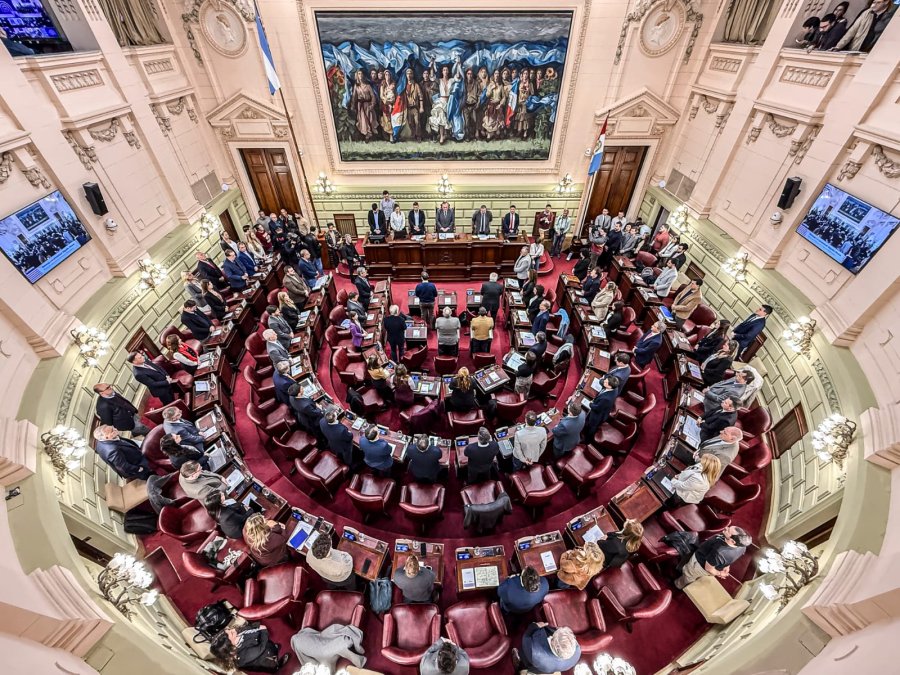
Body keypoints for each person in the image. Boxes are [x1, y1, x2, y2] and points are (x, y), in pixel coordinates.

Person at [675, 526, 752, 589]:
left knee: (688, 576)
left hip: (699, 566)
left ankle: (678, 585)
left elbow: (709, 569)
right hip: (710, 560)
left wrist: (720, 574)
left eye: (728, 530)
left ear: (733, 541)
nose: (726, 528)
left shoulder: (719, 553)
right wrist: (727, 566)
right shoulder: (742, 547)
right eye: (729, 527)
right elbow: (732, 558)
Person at [210, 624, 289, 673]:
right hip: (262, 656)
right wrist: (263, 630)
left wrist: (256, 626)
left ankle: (274, 648)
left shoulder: (235, 636)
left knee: (272, 647)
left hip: (257, 644)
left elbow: (246, 628)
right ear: (230, 646)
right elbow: (261, 647)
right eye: (231, 633)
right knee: (271, 663)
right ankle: (276, 667)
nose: (233, 629)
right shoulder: (244, 657)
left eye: (230, 630)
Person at [583, 375, 619, 441]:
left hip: (597, 416)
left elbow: (597, 408)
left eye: (605, 382)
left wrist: (590, 404)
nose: (604, 381)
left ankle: (587, 440)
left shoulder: (606, 398)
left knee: (592, 427)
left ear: (609, 386)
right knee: (588, 423)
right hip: (603, 407)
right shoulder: (615, 388)